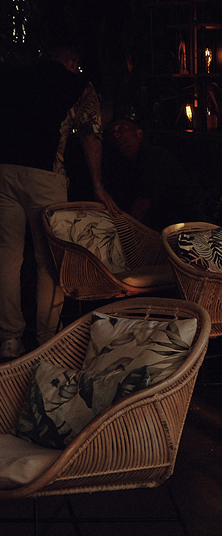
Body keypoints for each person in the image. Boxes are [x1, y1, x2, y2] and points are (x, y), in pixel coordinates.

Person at [0, 44, 118, 359]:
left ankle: (10, 339)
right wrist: (98, 186)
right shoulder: (78, 86)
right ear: (72, 62)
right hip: (45, 174)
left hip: (3, 171)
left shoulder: (11, 77)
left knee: (7, 258)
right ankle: (46, 339)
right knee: (49, 258)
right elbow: (90, 134)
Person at [105, 117, 207, 230]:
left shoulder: (153, 156)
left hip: (179, 227)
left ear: (139, 133)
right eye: (112, 133)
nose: (116, 135)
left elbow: (143, 203)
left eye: (121, 129)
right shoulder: (124, 166)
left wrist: (125, 230)